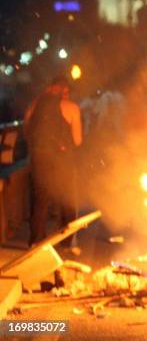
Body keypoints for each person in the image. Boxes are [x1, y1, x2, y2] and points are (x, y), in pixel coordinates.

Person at [24, 76, 82, 247]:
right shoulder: (71, 107)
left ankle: (36, 240)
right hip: (62, 160)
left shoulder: (35, 105)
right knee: (67, 199)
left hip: (39, 157)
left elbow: (27, 130)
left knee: (40, 199)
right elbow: (77, 140)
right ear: (66, 90)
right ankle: (67, 240)